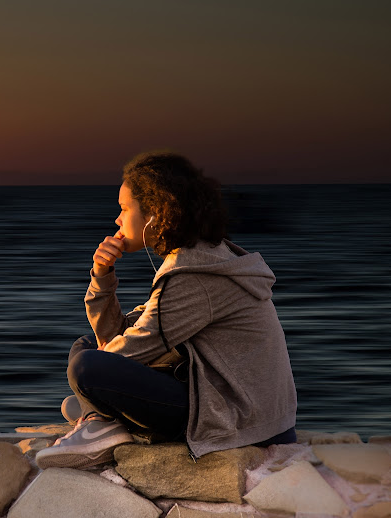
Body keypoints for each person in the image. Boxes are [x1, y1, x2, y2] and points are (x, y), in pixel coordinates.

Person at [36, 151, 297, 470]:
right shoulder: (201, 256)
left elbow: (128, 350)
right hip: (244, 409)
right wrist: (102, 275)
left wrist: (93, 379)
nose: (117, 220)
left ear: (155, 214)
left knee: (86, 366)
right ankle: (99, 416)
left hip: (242, 423)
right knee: (85, 347)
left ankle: (101, 422)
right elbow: (120, 335)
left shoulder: (194, 276)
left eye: (124, 209)